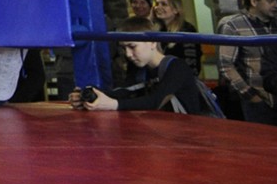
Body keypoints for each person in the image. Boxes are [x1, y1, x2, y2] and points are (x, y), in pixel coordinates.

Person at [70, 22, 219, 116]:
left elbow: (155, 101)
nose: (128, 54)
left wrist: (112, 104)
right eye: (124, 48)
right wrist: (90, 95)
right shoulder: (140, 68)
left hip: (190, 136)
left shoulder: (177, 67)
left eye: (132, 46)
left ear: (152, 42)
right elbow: (125, 91)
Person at [216, 0, 277, 126]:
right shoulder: (233, 25)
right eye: (270, 0)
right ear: (254, 2)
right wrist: (251, 96)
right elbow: (226, 65)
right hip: (256, 100)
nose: (276, 5)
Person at [150, 0, 201, 75]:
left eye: (164, 4)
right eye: (157, 4)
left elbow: (191, 62)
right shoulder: (157, 29)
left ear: (176, 10)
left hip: (180, 76)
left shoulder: (187, 30)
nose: (158, 7)